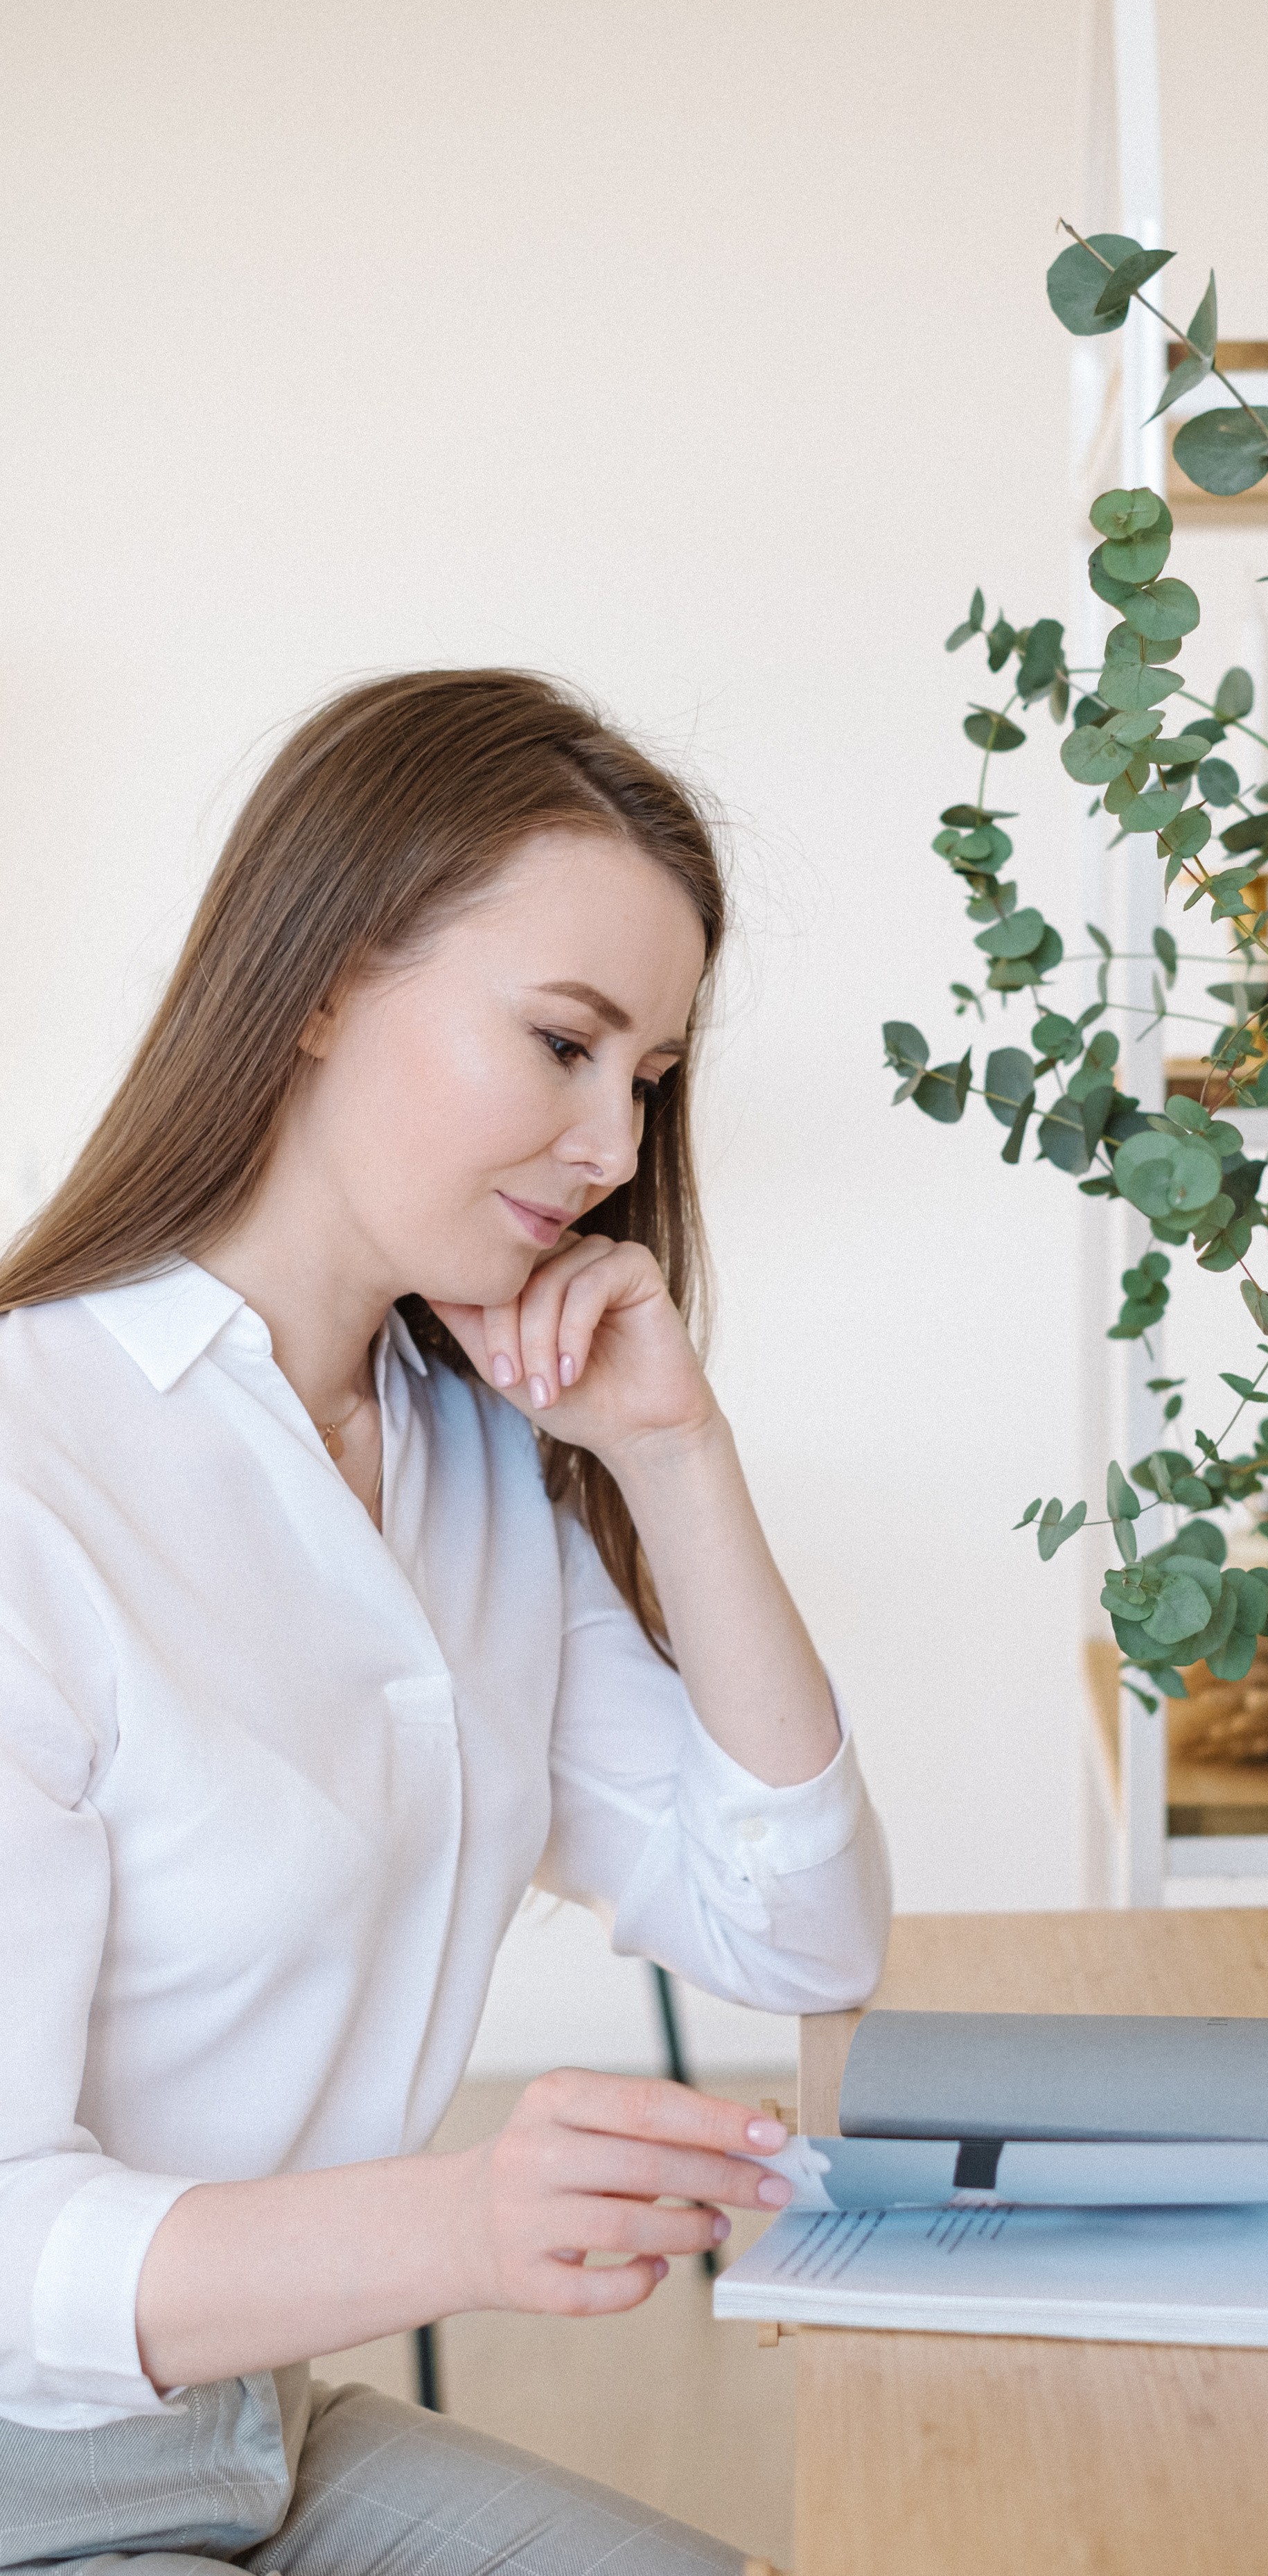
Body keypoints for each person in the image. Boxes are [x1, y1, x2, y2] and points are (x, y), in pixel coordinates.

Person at [0, 671, 891, 2575]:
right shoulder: (34, 1481)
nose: (610, 1148)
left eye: (646, 1078)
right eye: (564, 1042)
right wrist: (469, 2223)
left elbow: (797, 1930)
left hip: (253, 2426)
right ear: (322, 982)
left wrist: (676, 1455)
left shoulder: (463, 1459)